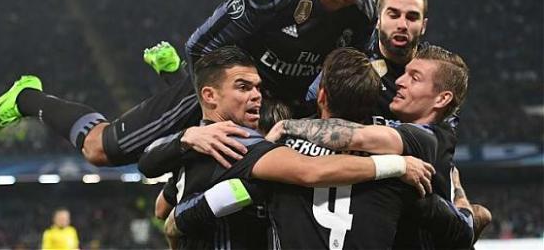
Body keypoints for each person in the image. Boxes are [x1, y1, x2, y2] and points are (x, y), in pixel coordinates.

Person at [0, 0, 385, 168]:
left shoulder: (364, 14)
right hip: (223, 100)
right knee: (102, 150)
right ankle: (28, 97)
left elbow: (340, 78)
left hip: (281, 113)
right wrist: (218, 110)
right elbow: (200, 46)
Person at [137, 46, 435, 249]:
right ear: (210, 96)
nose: (256, 96)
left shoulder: (201, 144)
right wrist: (398, 165)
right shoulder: (239, 144)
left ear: (322, 95)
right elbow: (310, 171)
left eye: (257, 87)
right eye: (244, 87)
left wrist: (183, 217)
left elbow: (163, 208)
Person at [267, 45, 491, 248]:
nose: (400, 81)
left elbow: (357, 137)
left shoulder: (427, 140)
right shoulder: (400, 162)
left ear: (442, 99)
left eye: (414, 78)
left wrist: (287, 126)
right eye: (404, 73)